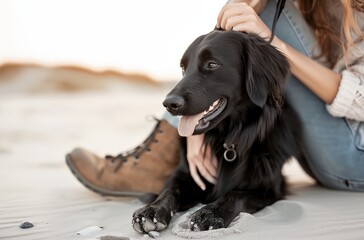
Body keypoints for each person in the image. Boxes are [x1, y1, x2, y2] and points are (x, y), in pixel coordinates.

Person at [65, 0, 364, 196]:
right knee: (251, 9)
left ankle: (158, 161)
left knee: (265, 10)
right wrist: (197, 120)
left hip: (354, 157)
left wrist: (271, 40)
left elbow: (358, 99)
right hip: (328, 153)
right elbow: (232, 29)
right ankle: (166, 153)